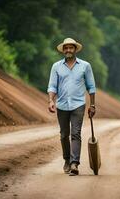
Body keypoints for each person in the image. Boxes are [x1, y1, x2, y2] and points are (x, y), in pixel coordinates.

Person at [47, 38, 96, 176]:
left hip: (78, 104)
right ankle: (67, 160)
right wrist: (51, 100)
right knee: (64, 135)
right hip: (61, 105)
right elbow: (52, 86)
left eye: (71, 48)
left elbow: (91, 87)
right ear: (63, 50)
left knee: (75, 133)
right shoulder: (56, 66)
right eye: (66, 48)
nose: (68, 50)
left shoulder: (85, 66)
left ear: (75, 49)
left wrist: (92, 105)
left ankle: (75, 163)